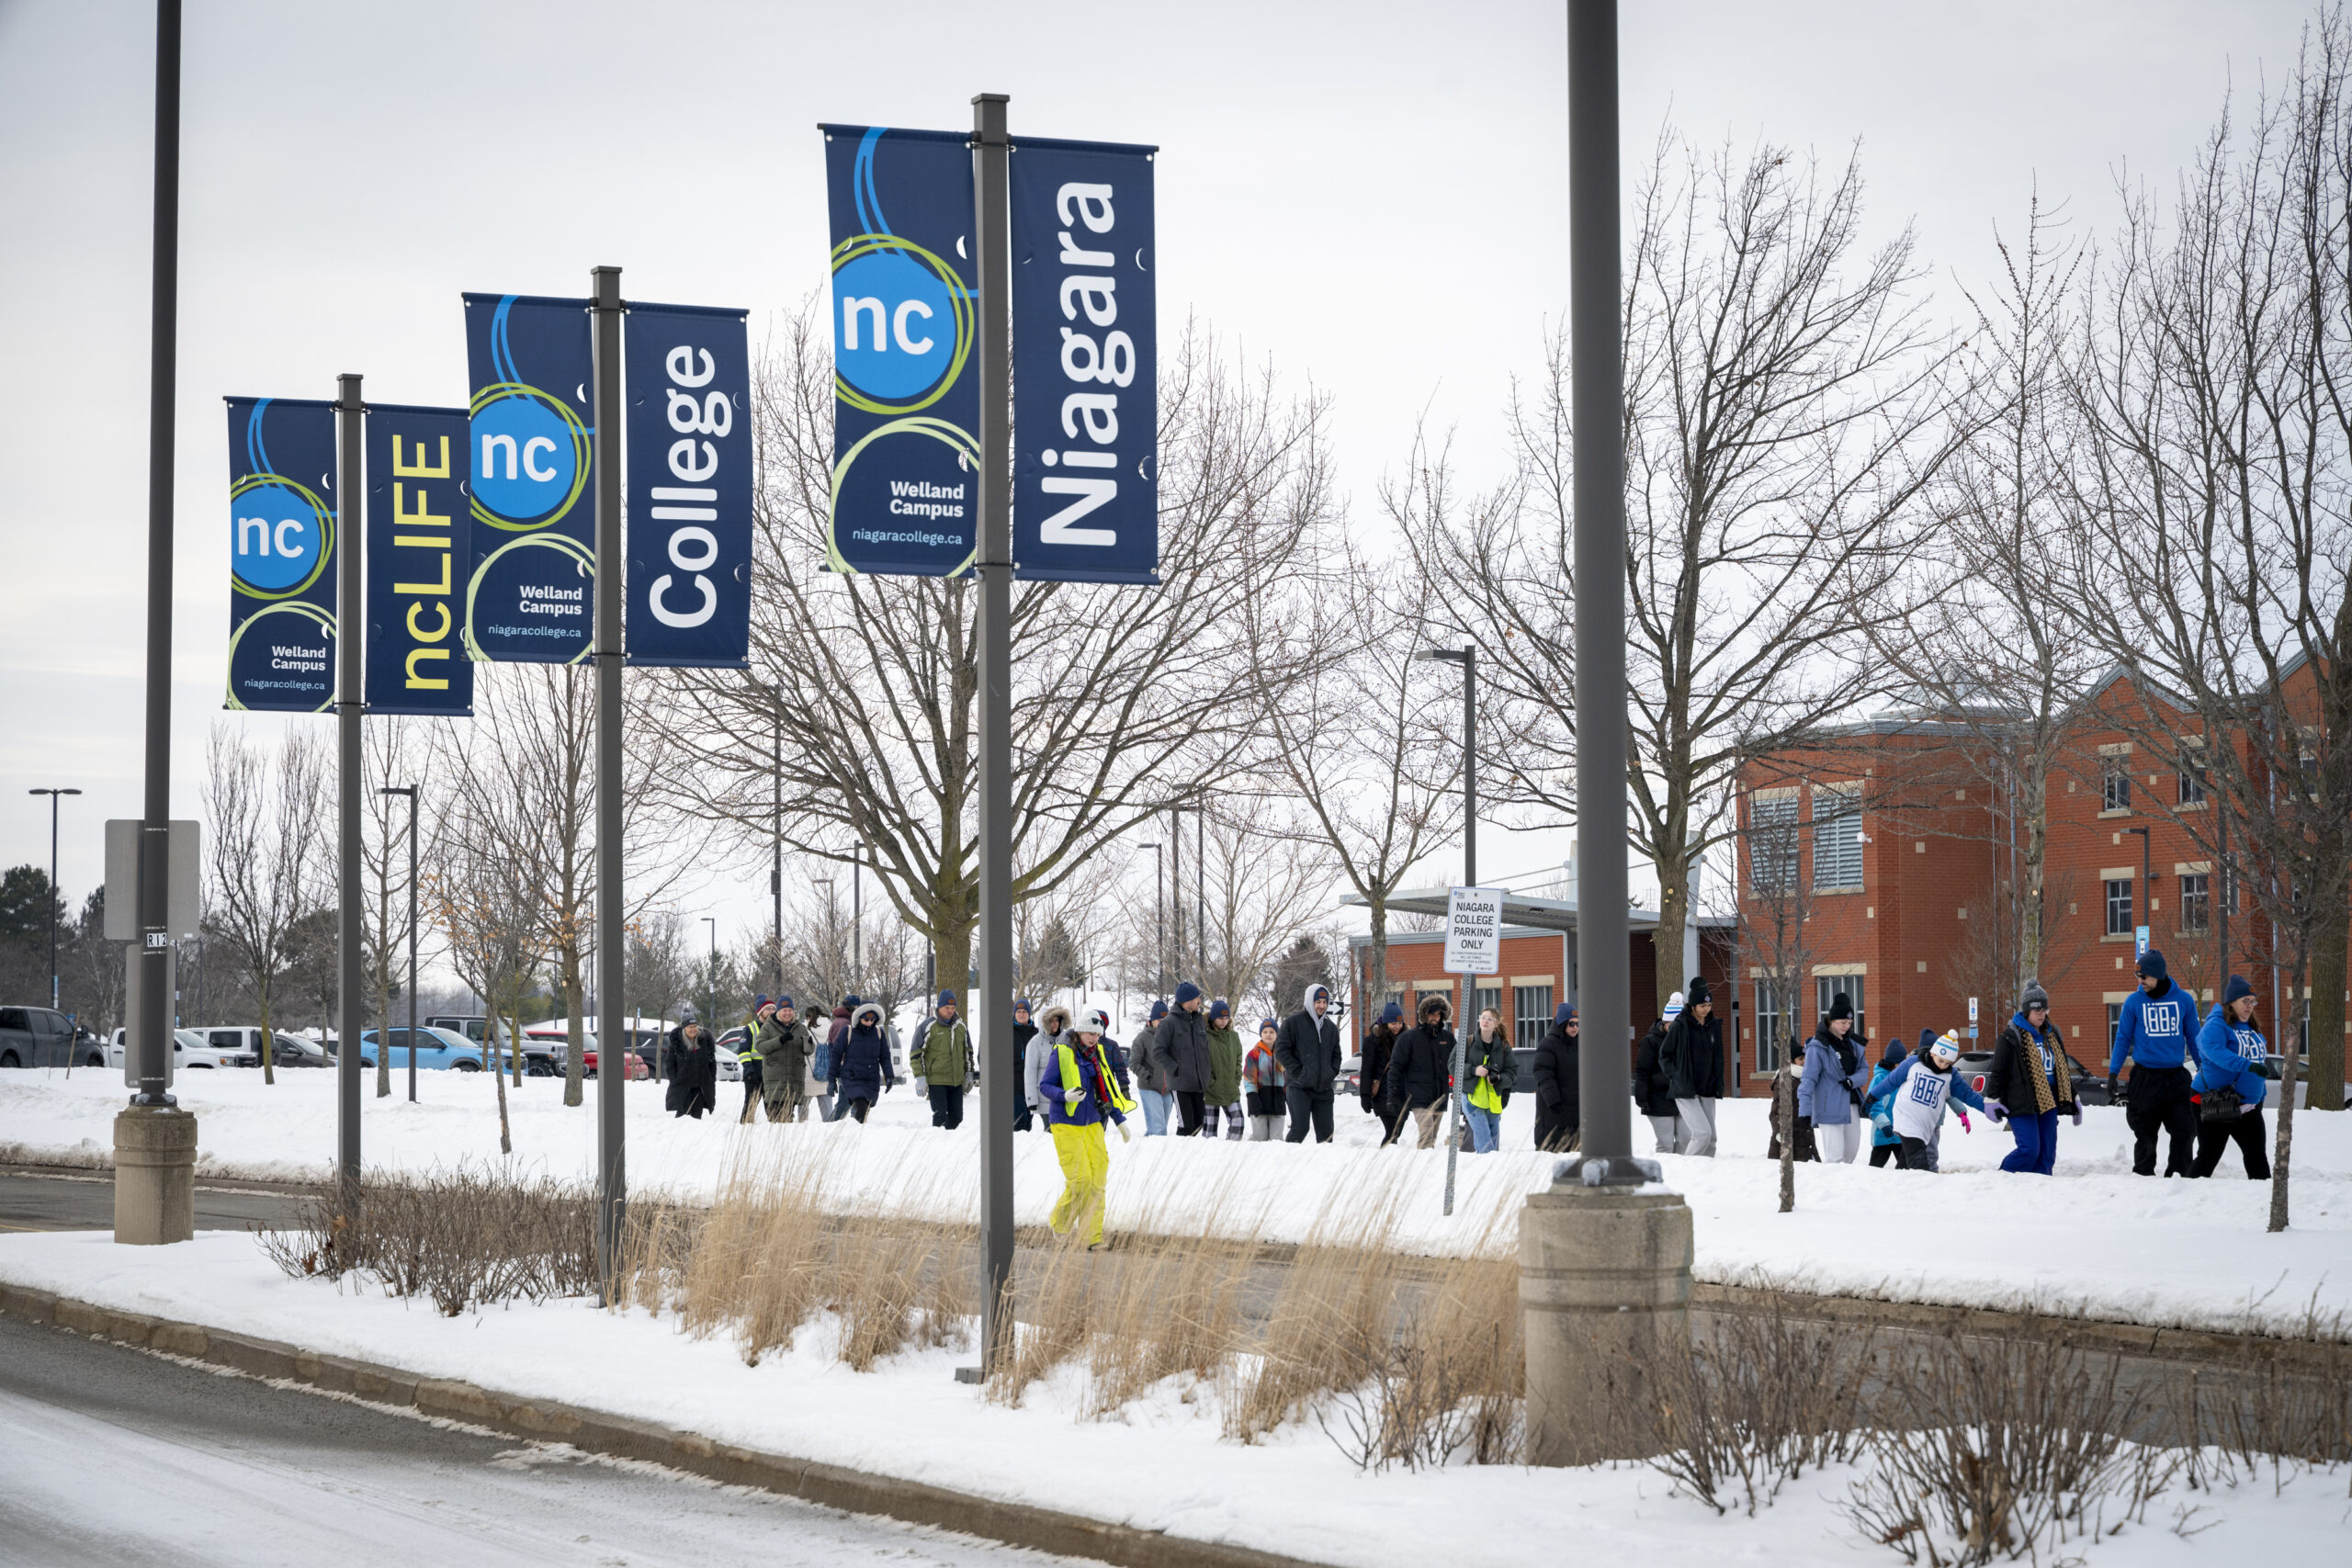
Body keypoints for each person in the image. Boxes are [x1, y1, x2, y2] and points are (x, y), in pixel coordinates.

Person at [1038, 1006, 1134, 1249]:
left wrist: (1119, 1119)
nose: (1094, 1038)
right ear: (1080, 1031)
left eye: (1098, 1035)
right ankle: (1061, 1223)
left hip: (1092, 1123)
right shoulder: (1062, 1053)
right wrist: (1065, 1095)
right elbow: (1045, 1086)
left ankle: (1092, 1237)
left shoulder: (1097, 1055)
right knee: (1081, 1180)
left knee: (1098, 1180)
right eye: (1091, 1033)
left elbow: (1106, 1090)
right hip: (1066, 1123)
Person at [2109, 948, 2201, 1179]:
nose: (2140, 981)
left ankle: (2178, 1175)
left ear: (2158, 975)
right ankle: (2143, 1175)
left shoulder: (2184, 1000)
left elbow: (2194, 1038)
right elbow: (2122, 1039)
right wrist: (2113, 1073)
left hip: (2175, 1077)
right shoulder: (2134, 1002)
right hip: (2145, 1077)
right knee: (2145, 1132)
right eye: (2138, 976)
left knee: (2185, 1128)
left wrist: (2205, 1070)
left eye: (2144, 976)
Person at [1983, 978, 2078, 1175]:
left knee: (2047, 1154)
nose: (2042, 1014)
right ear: (2027, 1011)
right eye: (2037, 1010)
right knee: (2029, 1150)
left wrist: (2073, 1096)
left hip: (2049, 1101)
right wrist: (1992, 1099)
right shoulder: (2010, 1037)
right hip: (2021, 1101)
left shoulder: (2052, 1035)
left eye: (2044, 1010)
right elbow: (1999, 1072)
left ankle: (2040, 1187)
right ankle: (2001, 1179)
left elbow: (2061, 1069)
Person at [1868, 1030, 1989, 1170]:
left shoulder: (1946, 1074)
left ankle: (1922, 1177)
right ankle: (1926, 1177)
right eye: (1940, 1060)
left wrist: (1962, 1112)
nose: (1942, 1065)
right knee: (1892, 1161)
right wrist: (1882, 1122)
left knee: (1912, 1160)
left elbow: (1955, 1095)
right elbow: (1880, 1095)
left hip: (1931, 1122)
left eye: (1947, 1062)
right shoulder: (1910, 1068)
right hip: (1899, 1126)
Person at [2191, 975, 2273, 1179]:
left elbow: (2259, 1062)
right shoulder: (2216, 1025)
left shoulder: (2253, 1029)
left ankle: (2263, 1198)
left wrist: (2260, 1096)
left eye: (2253, 1001)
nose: (2250, 1006)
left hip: (2247, 1107)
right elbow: (2216, 1052)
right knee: (2208, 1157)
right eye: (2245, 1001)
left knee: (2257, 1158)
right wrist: (2248, 1066)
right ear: (2231, 1002)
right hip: (2215, 1101)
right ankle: (2185, 1193)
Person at [1799, 992, 1871, 1163]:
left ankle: (1846, 1181)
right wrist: (1805, 1110)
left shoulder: (1853, 1045)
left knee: (1850, 1154)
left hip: (1851, 1104)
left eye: (1849, 1023)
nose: (1847, 1026)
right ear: (1831, 1020)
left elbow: (1864, 1070)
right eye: (1842, 1022)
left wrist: (1852, 1081)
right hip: (1828, 1106)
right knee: (1835, 1158)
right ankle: (1832, 1181)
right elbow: (1808, 1078)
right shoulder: (1818, 1046)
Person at [1658, 977, 1725, 1156]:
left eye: (1709, 1005)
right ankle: (1689, 1168)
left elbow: (1717, 1057)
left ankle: (1708, 1170)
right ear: (1693, 1005)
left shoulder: (1713, 1026)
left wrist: (1718, 1081)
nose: (1706, 1009)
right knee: (1702, 1134)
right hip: (1686, 1089)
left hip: (1707, 1088)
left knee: (1711, 1139)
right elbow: (1664, 1055)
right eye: (1702, 1005)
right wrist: (1676, 1075)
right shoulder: (1680, 1026)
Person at [1275, 983, 1343, 1143]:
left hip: (1324, 1089)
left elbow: (1336, 1054)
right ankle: (1288, 1157)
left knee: (1326, 1135)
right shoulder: (1293, 1023)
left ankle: (1324, 1160)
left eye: (1325, 1002)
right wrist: (1297, 1071)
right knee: (1300, 1129)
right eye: (1318, 1001)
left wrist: (1332, 1071)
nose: (1322, 1006)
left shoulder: (1331, 1028)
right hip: (1299, 1087)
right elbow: (1281, 1050)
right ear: (1309, 1001)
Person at [1387, 995, 1457, 1150]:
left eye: (1439, 1014)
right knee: (1427, 1133)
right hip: (1418, 1096)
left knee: (1432, 1137)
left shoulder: (1447, 1038)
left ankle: (1427, 1163)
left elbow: (1457, 1064)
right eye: (1432, 1014)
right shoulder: (1408, 1038)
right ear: (1424, 1014)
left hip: (1440, 1095)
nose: (1436, 1018)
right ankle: (1421, 1162)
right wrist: (1392, 1094)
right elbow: (1396, 1067)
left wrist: (1459, 1087)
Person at [826, 1000, 897, 1123]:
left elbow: (885, 1056)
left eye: (872, 1020)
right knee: (860, 1104)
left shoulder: (878, 1033)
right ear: (859, 1017)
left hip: (871, 1078)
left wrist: (889, 1075)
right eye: (866, 1019)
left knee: (864, 1110)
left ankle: (854, 1132)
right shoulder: (847, 1031)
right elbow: (836, 1055)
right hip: (852, 1077)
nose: (869, 1022)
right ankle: (838, 1127)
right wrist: (831, 1079)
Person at [911, 989, 974, 1130]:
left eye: (953, 1008)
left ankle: (947, 1139)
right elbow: (916, 1053)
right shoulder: (928, 1026)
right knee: (940, 1116)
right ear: (939, 1007)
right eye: (947, 1007)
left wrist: (969, 1072)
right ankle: (937, 1140)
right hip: (936, 1080)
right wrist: (920, 1077)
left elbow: (967, 1052)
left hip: (956, 1081)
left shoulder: (961, 1027)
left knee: (957, 1117)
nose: (950, 1011)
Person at [1159, 982, 1213, 1136]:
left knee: (1199, 1123)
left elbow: (1204, 1050)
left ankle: (1191, 1152)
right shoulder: (1169, 1022)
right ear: (1187, 1000)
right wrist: (1175, 1069)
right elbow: (1158, 1051)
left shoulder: (1199, 1021)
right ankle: (1178, 1151)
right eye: (1197, 998)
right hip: (1180, 1083)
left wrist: (1206, 1072)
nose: (1199, 1001)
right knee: (1186, 1126)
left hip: (1198, 1083)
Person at [1462, 1006, 1517, 1153]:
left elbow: (1512, 1073)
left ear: (1496, 1023)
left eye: (1490, 1019)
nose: (1485, 1021)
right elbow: (1453, 1065)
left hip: (1493, 1101)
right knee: (1485, 1142)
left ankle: (1486, 1167)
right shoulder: (1468, 1042)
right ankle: (1485, 1166)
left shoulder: (1503, 1047)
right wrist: (1474, 1070)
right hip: (1472, 1099)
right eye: (1483, 1017)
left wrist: (1499, 1078)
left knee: (1493, 1143)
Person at [1634, 998, 1683, 1153]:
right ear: (1665, 1023)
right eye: (1672, 1025)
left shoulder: (1686, 1042)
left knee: (1686, 1140)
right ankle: (1666, 1167)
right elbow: (1642, 1071)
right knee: (1665, 1143)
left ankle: (1682, 1167)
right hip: (1658, 1098)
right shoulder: (1650, 1042)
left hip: (1683, 1097)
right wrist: (1641, 1096)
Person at [1532, 1003, 1580, 1153]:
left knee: (1573, 1152)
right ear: (1562, 1024)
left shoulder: (1580, 1044)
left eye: (1578, 1024)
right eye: (1571, 1024)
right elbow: (1543, 1073)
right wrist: (1553, 1100)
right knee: (1553, 1151)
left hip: (1575, 1109)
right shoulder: (1548, 1044)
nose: (1575, 1028)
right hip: (1554, 1110)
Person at [757, 996, 813, 1122]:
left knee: (787, 1118)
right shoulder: (768, 1027)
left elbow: (808, 1051)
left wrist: (808, 1044)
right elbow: (760, 1046)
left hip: (793, 1080)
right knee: (775, 1118)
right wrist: (780, 1040)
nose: (787, 1013)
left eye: (790, 1010)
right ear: (778, 1011)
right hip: (775, 1080)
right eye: (784, 1010)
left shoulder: (801, 1028)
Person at [1361, 1001, 1408, 1145]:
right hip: (1382, 1093)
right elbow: (1367, 1069)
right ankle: (1385, 1157)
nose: (1397, 1026)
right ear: (1386, 1023)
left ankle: (1388, 1156)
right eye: (1393, 1023)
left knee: (1396, 1133)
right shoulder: (1373, 1041)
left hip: (1401, 1092)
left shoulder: (1406, 1038)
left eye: (1400, 1023)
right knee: (1392, 1132)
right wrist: (1365, 1095)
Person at [1864, 1034, 1915, 1168]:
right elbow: (1873, 1104)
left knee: (1907, 1168)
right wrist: (1884, 1124)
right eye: (1901, 1064)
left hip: (1900, 1132)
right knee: (1875, 1167)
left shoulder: (1905, 1078)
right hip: (1883, 1132)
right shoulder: (1880, 1079)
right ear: (1893, 1063)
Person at [662, 1006, 718, 1120]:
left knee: (696, 1118)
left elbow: (712, 1062)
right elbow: (670, 1063)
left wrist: (711, 1078)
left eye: (694, 1026)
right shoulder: (677, 1042)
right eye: (690, 1027)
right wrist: (674, 1079)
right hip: (683, 1086)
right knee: (682, 1117)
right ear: (684, 1028)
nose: (693, 1029)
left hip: (700, 1086)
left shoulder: (705, 1041)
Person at [1026, 1004, 1072, 1133]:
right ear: (1044, 1022)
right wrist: (1031, 1100)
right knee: (1051, 1134)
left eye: (1057, 1020)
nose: (1054, 1024)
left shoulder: (1067, 1040)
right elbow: (1030, 1072)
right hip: (1045, 1100)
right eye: (1051, 1021)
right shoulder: (1035, 1043)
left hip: (1066, 1096)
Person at [1130, 999, 1173, 1135]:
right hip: (1149, 1087)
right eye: (1160, 1021)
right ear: (1152, 1020)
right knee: (1158, 1129)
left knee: (1159, 1127)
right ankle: (1154, 1149)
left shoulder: (1172, 1037)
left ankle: (1144, 1147)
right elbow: (1134, 1063)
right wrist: (1149, 1077)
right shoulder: (1142, 1038)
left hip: (1168, 1089)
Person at [1204, 998, 1245, 1140]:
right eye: (1220, 1018)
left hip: (1230, 1089)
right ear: (1213, 1018)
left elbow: (1238, 1060)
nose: (1224, 1021)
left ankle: (1230, 1150)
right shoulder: (1204, 1036)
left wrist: (1236, 1079)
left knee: (1238, 1122)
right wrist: (1210, 1083)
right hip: (1210, 1091)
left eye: (1227, 1018)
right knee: (1209, 1132)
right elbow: (1202, 1063)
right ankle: (1209, 1154)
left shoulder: (1234, 1037)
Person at [1242, 1018, 1286, 1141]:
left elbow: (1288, 1077)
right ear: (1261, 1034)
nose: (1268, 1034)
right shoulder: (1254, 1054)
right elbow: (1249, 1078)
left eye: (1272, 1032)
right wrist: (1252, 1097)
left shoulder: (1283, 1054)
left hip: (1277, 1101)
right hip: (1259, 1100)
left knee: (1277, 1139)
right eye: (1265, 1032)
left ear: (1276, 1034)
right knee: (1260, 1138)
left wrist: (1286, 1094)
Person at [738, 998, 770, 1123]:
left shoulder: (775, 1028)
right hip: (754, 1075)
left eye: (773, 1009)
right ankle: (745, 1131)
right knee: (749, 1112)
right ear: (760, 1011)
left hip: (770, 1075)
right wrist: (750, 1071)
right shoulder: (750, 1028)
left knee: (773, 1113)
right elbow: (743, 1052)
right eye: (768, 1009)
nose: (771, 1011)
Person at [1010, 998, 1039, 1132]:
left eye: (1024, 1012)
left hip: (1032, 1083)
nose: (1021, 1014)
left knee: (1028, 1121)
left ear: (1029, 1013)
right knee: (1019, 1120)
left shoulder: (1037, 1033)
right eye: (1019, 1012)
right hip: (1014, 1083)